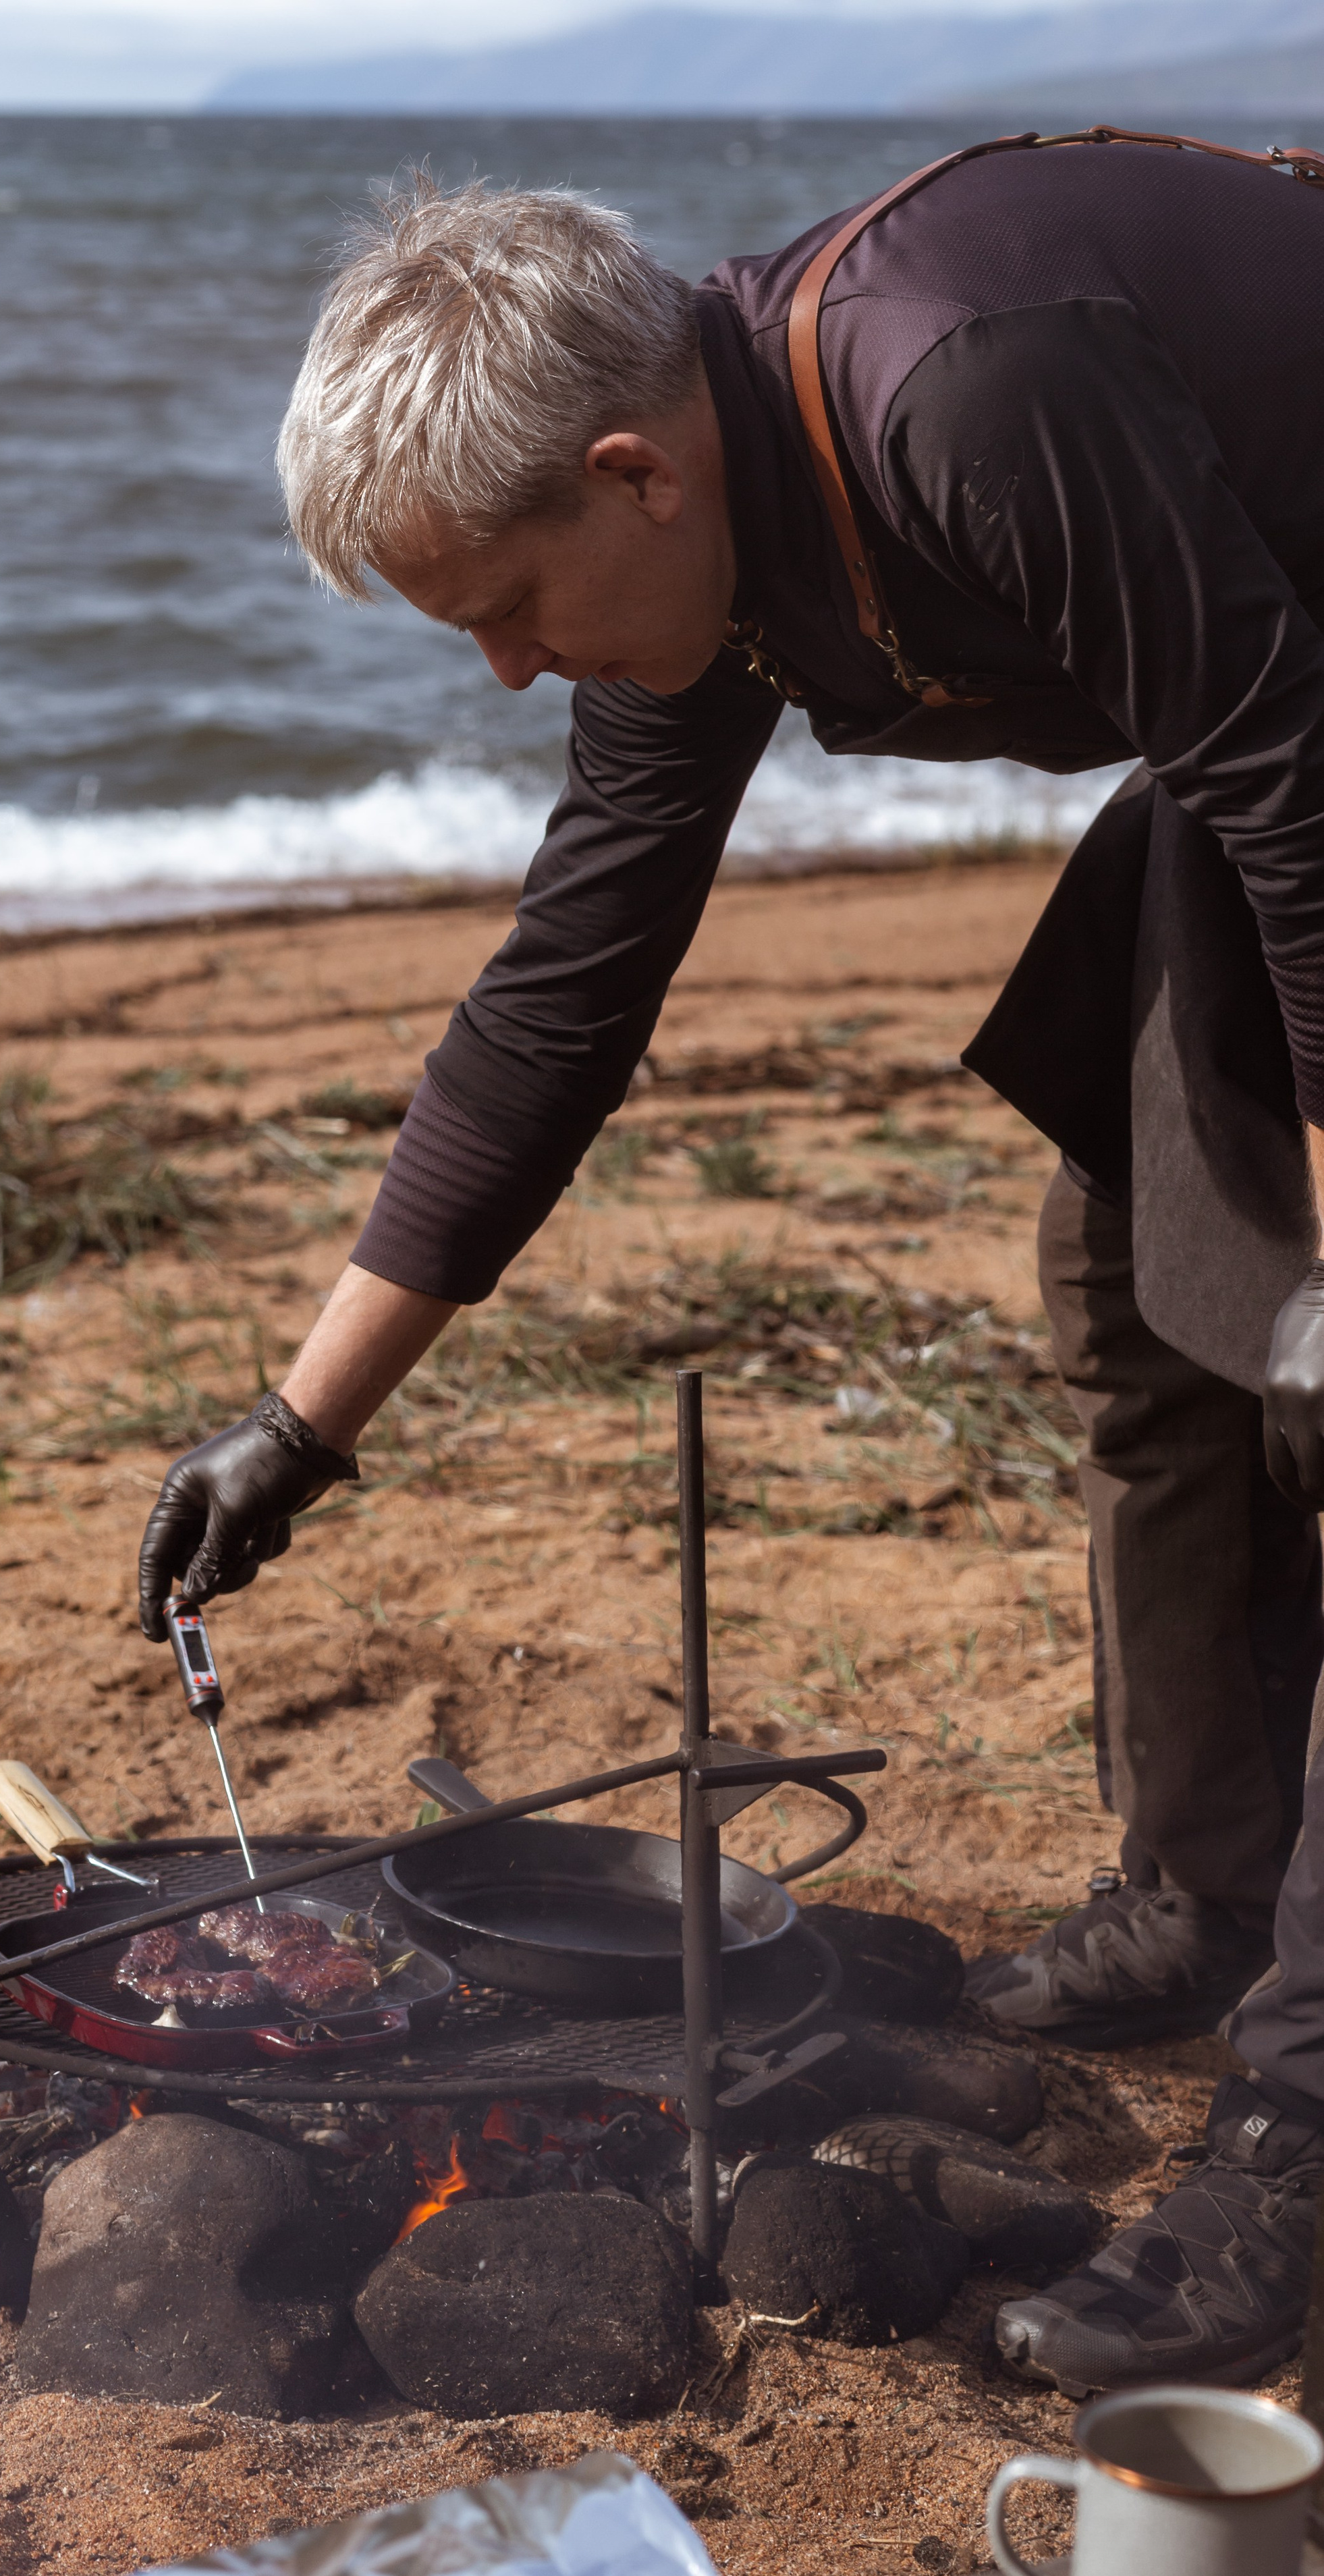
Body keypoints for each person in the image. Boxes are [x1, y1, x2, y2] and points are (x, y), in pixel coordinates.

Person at [137, 140, 1324, 2395]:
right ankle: (1206, 1891)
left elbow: (1286, 771)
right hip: (1277, 739)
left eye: (501, 603)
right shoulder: (707, 547)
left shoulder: (961, 390)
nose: (501, 671)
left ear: (628, 474)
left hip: (1299, 759)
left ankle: (1295, 2130)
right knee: (1136, 1292)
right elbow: (566, 995)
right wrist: (302, 1428)